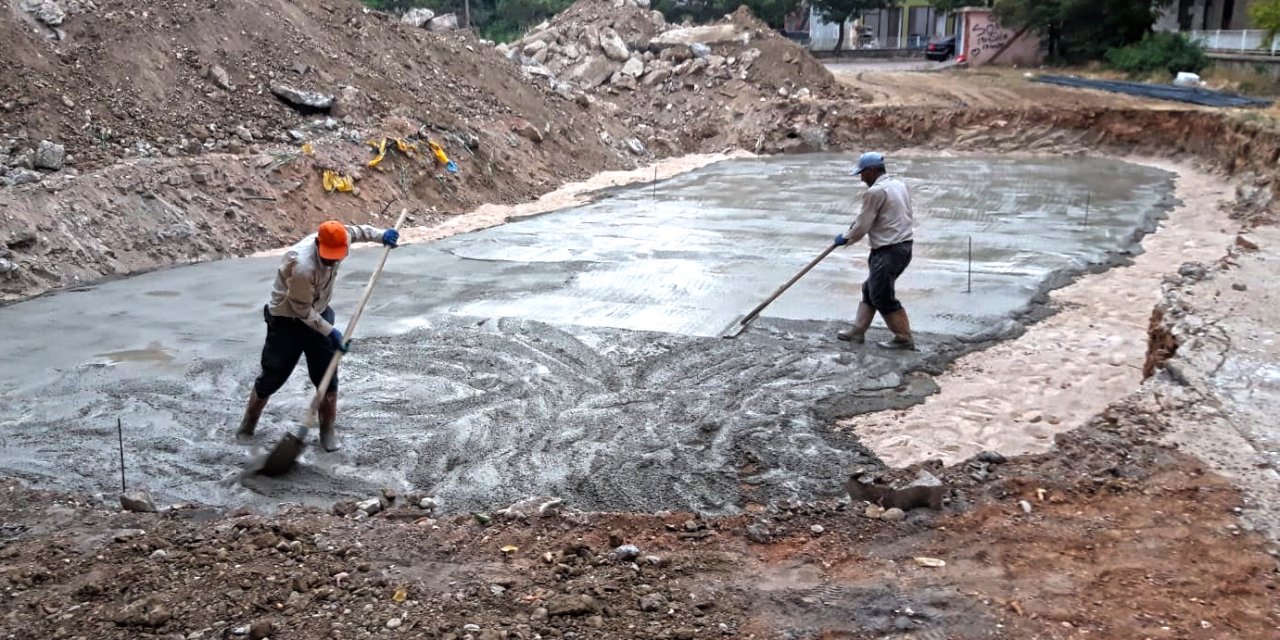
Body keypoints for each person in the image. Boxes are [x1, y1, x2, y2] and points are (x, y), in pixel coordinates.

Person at [236, 220, 400, 450]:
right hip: (287, 320)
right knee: (273, 374)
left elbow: (357, 231)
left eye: (336, 257)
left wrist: (382, 235)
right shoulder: (303, 266)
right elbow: (301, 309)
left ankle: (327, 431)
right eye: (328, 258)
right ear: (317, 244)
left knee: (327, 374)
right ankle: (248, 424)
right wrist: (330, 332)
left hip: (320, 311)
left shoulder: (341, 238)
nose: (332, 262)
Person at [833, 152, 916, 350]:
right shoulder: (898, 185)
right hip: (903, 246)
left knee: (881, 294)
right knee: (870, 288)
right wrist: (854, 229)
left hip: (889, 249)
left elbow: (863, 225)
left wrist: (846, 237)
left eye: (862, 173)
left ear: (871, 170)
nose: (861, 178)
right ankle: (858, 331)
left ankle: (903, 338)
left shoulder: (875, 192)